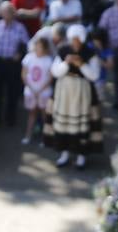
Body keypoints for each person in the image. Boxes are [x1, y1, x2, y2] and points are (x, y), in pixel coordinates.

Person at [44, 25, 102, 169]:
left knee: (81, 124)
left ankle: (81, 155)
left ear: (81, 39)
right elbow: (55, 71)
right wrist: (66, 63)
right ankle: (64, 153)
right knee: (63, 123)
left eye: (76, 40)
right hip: (64, 92)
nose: (74, 42)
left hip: (81, 92)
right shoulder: (63, 50)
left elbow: (94, 76)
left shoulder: (90, 53)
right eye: (72, 39)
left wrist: (81, 64)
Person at [0, 2, 29, 127]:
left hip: (13, 64)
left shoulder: (20, 27)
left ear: (13, 14)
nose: (7, 15)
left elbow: (27, 44)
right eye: (4, 12)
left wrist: (20, 53)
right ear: (1, 13)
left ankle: (10, 119)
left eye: (9, 12)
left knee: (13, 92)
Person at [20, 36, 54, 144]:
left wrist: (39, 90)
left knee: (45, 116)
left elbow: (50, 78)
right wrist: (32, 89)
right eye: (36, 46)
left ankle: (46, 139)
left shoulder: (49, 60)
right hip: (31, 92)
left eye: (40, 47)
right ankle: (28, 135)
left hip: (44, 93)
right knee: (32, 114)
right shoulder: (29, 57)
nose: (37, 49)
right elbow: (24, 74)